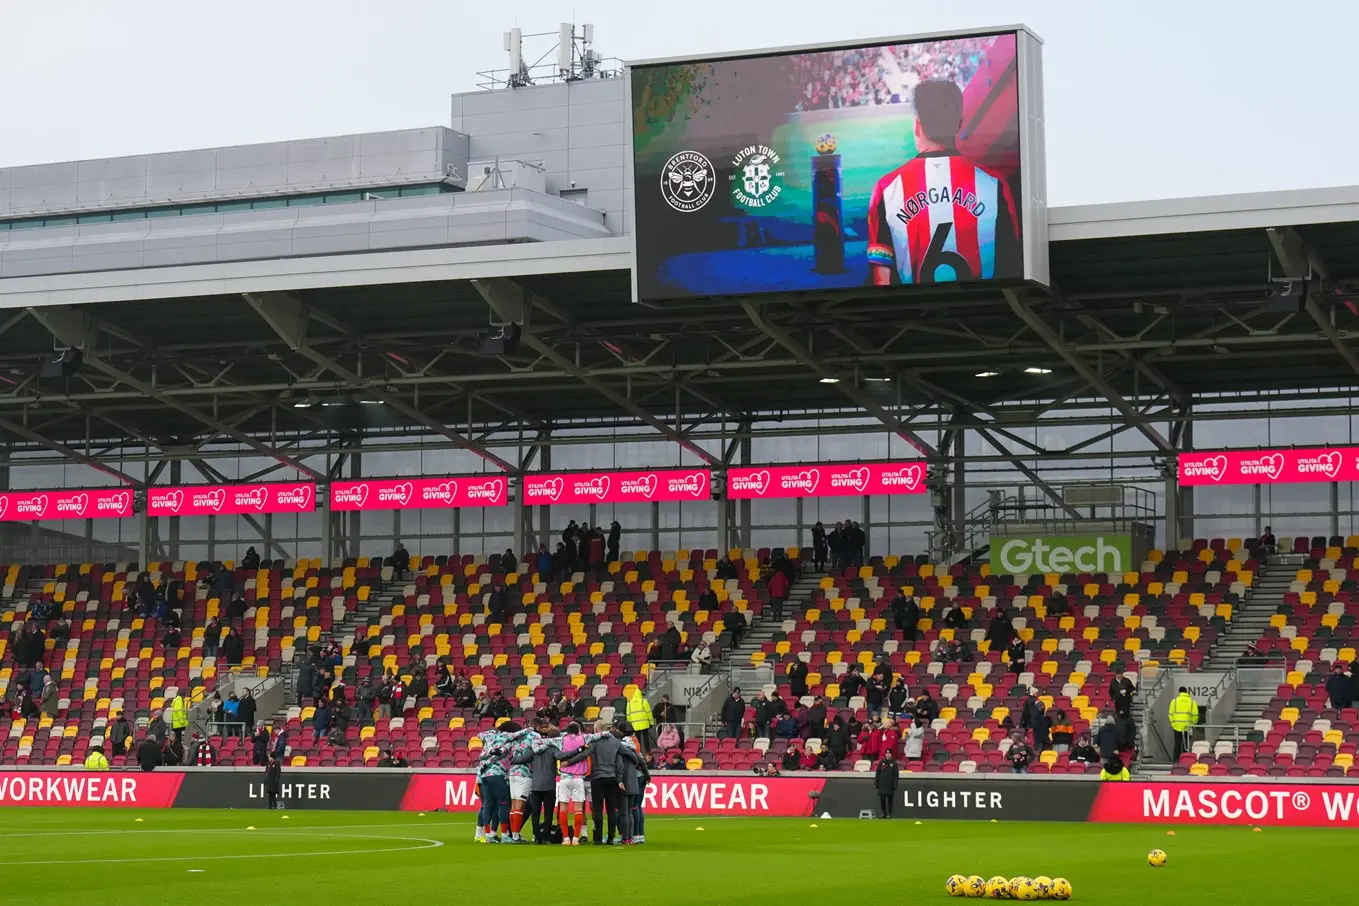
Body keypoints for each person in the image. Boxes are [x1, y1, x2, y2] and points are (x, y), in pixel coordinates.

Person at [867, 78, 1021, 287]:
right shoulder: (995, 184)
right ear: (959, 123)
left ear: (916, 125)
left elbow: (881, 278)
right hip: (983, 312)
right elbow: (1012, 265)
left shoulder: (887, 188)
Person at [1169, 686, 1200, 761]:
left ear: (1179, 692)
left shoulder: (1174, 701)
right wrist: (1193, 724)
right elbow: (1195, 715)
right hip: (1188, 727)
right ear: (1186, 692)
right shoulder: (1192, 701)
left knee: (1177, 744)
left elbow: (1170, 714)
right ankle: (1185, 760)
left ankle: (1175, 760)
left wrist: (1173, 724)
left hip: (1177, 727)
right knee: (1186, 745)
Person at [626, 687, 654, 755]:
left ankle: (638, 752)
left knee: (637, 739)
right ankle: (647, 752)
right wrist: (651, 723)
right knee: (646, 739)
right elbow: (649, 713)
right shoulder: (643, 701)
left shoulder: (629, 703)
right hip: (644, 724)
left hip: (635, 725)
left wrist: (630, 725)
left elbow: (628, 715)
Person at [874, 752, 899, 818]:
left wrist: (895, 785)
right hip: (882, 784)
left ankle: (889, 813)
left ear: (891, 754)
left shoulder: (894, 763)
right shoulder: (881, 762)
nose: (888, 755)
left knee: (890, 800)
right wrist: (876, 783)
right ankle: (883, 813)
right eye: (887, 753)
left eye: (889, 753)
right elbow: (877, 773)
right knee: (882, 800)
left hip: (890, 784)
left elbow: (896, 775)